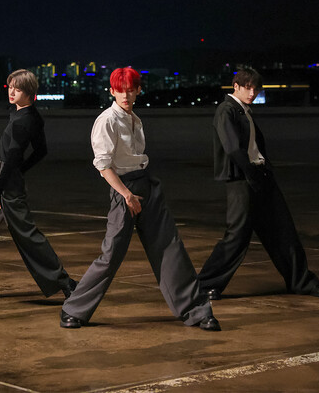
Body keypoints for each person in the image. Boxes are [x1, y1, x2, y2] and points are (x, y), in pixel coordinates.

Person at [60, 67, 220, 330]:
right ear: (112, 91)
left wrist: (142, 191)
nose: (125, 94)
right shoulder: (106, 120)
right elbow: (102, 166)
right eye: (120, 89)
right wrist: (126, 195)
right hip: (124, 188)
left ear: (137, 90)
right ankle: (73, 309)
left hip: (146, 184)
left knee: (170, 247)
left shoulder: (135, 118)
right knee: (111, 254)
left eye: (130, 89)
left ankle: (197, 311)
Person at [198, 67, 319, 300]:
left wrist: (263, 171)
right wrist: (250, 174)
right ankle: (204, 285)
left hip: (261, 176)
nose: (252, 92)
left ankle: (302, 282)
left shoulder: (243, 111)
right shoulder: (226, 110)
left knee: (283, 231)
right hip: (242, 180)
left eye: (256, 88)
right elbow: (232, 148)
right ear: (235, 86)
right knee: (237, 236)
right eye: (247, 87)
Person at [0, 69, 76, 299]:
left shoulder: (23, 120)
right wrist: (18, 172)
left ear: (30, 92)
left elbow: (14, 154)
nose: (12, 92)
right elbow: (41, 150)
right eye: (10, 87)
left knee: (26, 235)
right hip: (5, 176)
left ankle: (66, 282)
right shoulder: (29, 115)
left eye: (18, 88)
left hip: (3, 180)